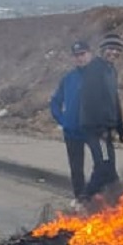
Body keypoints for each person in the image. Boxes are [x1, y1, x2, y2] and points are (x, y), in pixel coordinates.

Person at [78, 33, 123, 200]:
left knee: (109, 167)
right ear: (103, 50)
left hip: (107, 127)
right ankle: (84, 199)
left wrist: (120, 125)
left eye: (117, 50)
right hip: (94, 128)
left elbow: (114, 99)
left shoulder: (111, 70)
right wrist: (99, 128)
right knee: (102, 165)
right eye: (110, 49)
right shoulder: (94, 69)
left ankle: (115, 203)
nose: (113, 53)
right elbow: (89, 100)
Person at [50, 40, 92, 204]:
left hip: (94, 131)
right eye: (76, 56)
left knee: (102, 165)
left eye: (82, 54)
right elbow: (55, 101)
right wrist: (63, 120)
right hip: (72, 132)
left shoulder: (98, 75)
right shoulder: (68, 79)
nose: (80, 58)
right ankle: (80, 198)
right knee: (76, 169)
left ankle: (103, 198)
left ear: (90, 54)